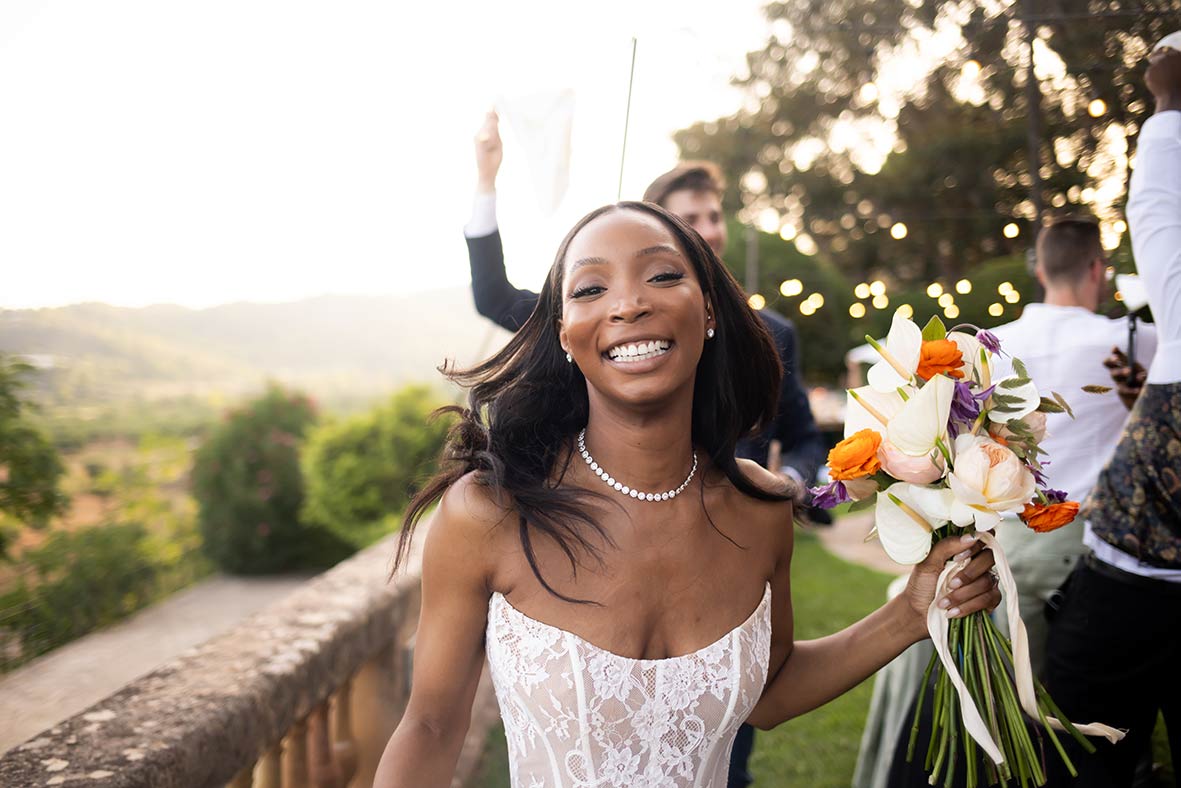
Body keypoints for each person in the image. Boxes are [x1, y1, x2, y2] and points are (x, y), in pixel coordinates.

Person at [372, 200, 1000, 787]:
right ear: (566, 334)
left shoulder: (762, 509)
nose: (628, 304)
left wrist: (912, 613)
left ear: (709, 313)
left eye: (662, 275)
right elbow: (429, 726)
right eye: (592, 288)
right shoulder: (491, 512)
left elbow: (770, 692)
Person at [465, 111, 825, 491]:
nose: (707, 231)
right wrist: (486, 180)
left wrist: (786, 482)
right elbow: (493, 296)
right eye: (690, 219)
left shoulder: (774, 333)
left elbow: (805, 440)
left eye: (714, 217)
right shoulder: (593, 321)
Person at [1041, 38, 1181, 787]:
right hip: (1121, 569)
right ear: (1093, 271)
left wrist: (1165, 105)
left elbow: (1156, 213)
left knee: (1081, 759)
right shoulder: (1135, 342)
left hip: (1129, 575)